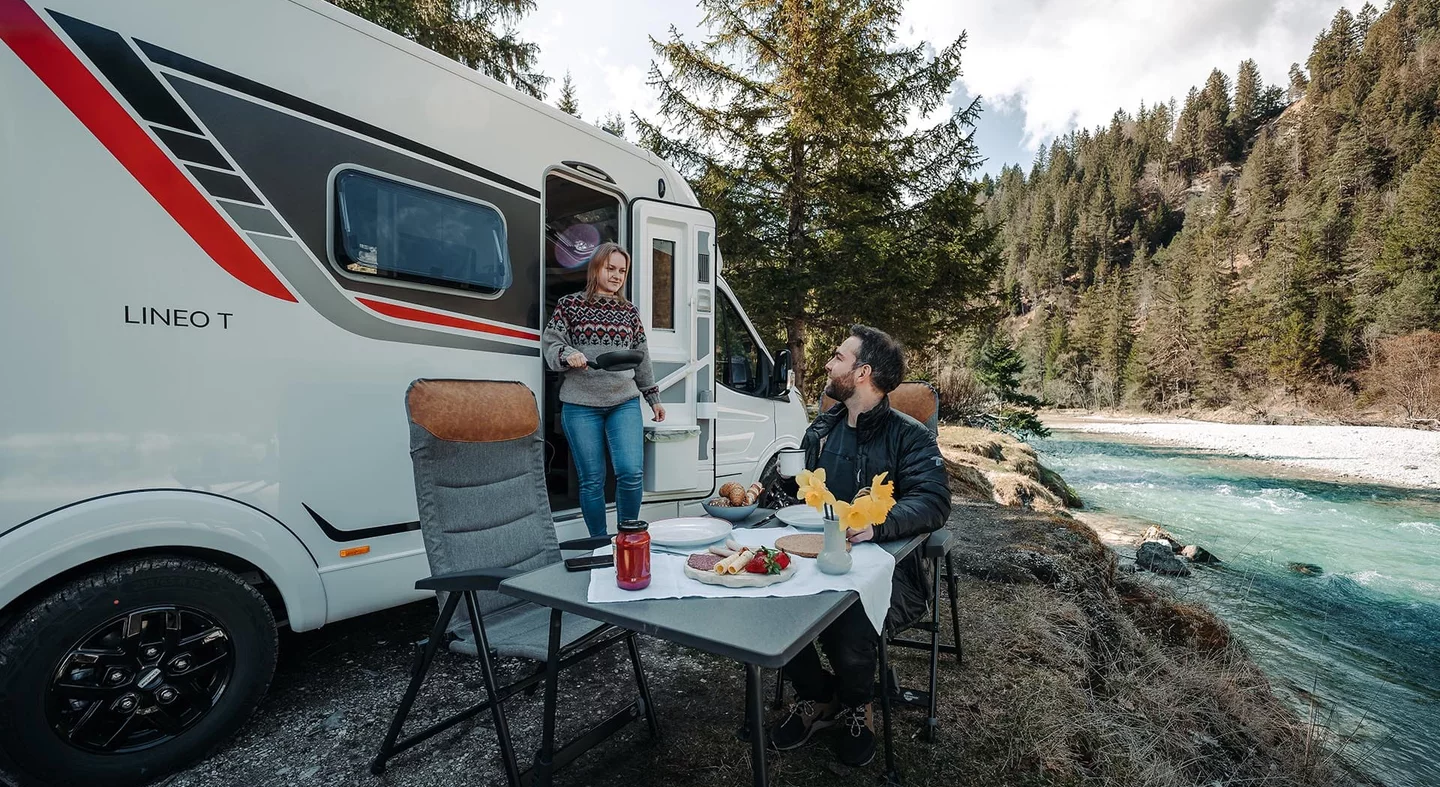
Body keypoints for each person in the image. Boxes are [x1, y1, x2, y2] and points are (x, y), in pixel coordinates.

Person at [768, 325, 951, 766]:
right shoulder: (822, 429)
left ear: (863, 372)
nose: (828, 364)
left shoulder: (910, 436)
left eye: (838, 357)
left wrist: (876, 523)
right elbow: (801, 494)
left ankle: (857, 704)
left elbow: (933, 501)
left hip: (888, 569)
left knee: (846, 618)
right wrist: (777, 485)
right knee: (768, 600)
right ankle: (819, 695)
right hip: (813, 556)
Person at [542, 241, 666, 537]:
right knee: (591, 479)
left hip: (623, 402)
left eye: (622, 271)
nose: (616, 276)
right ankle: (598, 543)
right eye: (610, 268)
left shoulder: (629, 312)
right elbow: (551, 343)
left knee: (631, 472)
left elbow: (642, 356)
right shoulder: (569, 305)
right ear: (596, 267)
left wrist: (653, 398)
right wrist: (567, 354)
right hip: (580, 405)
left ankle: (627, 539)